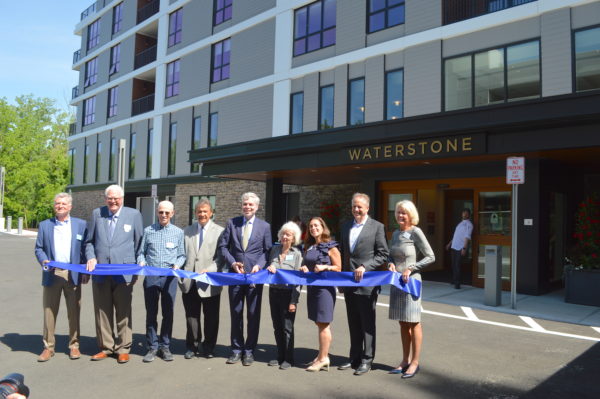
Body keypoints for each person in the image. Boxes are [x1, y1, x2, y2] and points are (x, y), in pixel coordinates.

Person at [85, 184, 143, 364]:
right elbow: (89, 242)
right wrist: (91, 257)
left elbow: (139, 243)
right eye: (110, 198)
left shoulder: (133, 215)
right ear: (105, 199)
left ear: (122, 199)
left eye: (116, 198)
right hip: (101, 271)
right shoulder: (97, 214)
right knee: (102, 310)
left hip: (124, 272)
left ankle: (123, 348)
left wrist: (137, 267)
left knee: (123, 310)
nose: (113, 201)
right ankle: (106, 347)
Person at [219, 192, 272, 366]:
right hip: (235, 276)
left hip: (254, 278)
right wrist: (233, 263)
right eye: (245, 204)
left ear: (257, 207)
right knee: (236, 313)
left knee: (252, 314)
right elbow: (224, 247)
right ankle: (236, 349)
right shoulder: (232, 223)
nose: (247, 207)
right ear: (241, 206)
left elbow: (267, 251)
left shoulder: (264, 226)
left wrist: (259, 265)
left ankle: (249, 350)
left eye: (251, 204)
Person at [338, 193, 389, 375]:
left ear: (367, 208)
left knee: (367, 323)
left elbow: (383, 254)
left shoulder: (377, 227)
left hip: (367, 283)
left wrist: (365, 266)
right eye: (354, 207)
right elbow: (343, 253)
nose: (356, 210)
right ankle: (354, 357)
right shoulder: (345, 227)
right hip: (349, 282)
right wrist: (340, 281)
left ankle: (367, 360)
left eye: (360, 207)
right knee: (353, 322)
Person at [34, 193, 88, 362]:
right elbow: (39, 248)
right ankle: (48, 347)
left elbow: (86, 248)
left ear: (70, 206)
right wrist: (44, 260)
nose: (60, 206)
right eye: (57, 203)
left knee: (74, 312)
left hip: (73, 275)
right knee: (49, 312)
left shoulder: (81, 225)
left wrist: (86, 271)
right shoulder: (45, 226)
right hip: (52, 273)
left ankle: (74, 346)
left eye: (64, 203)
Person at [387, 200, 435, 378]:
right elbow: (390, 255)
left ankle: (415, 362)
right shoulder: (395, 234)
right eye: (398, 212)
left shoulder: (416, 231)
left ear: (410, 215)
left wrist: (411, 268)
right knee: (402, 322)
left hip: (412, 282)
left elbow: (431, 256)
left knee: (414, 322)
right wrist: (390, 264)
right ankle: (405, 360)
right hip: (397, 282)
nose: (400, 215)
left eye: (404, 213)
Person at [138, 201, 185, 362]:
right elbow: (141, 252)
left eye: (167, 212)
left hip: (169, 278)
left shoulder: (178, 232)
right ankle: (152, 346)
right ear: (157, 213)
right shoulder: (148, 231)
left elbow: (182, 255)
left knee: (168, 312)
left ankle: (165, 346)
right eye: (161, 212)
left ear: (172, 213)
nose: (163, 215)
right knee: (151, 313)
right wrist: (141, 261)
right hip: (151, 276)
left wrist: (177, 265)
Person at [181, 199, 224, 359]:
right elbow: (181, 254)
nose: (202, 214)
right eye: (199, 211)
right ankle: (192, 346)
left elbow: (221, 258)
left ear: (211, 212)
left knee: (211, 317)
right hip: (190, 281)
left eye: (205, 211)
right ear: (195, 213)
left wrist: (210, 269)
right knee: (192, 317)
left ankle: (209, 347)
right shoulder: (186, 231)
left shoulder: (220, 231)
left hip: (210, 280)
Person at [300, 217, 341, 372]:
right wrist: (304, 268)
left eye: (316, 225)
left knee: (324, 323)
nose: (313, 228)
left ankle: (324, 358)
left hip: (325, 289)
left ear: (323, 227)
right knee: (319, 323)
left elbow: (339, 267)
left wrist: (326, 267)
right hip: (313, 289)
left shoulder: (331, 246)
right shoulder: (310, 246)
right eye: (311, 226)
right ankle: (321, 355)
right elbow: (308, 265)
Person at [266, 221, 303, 370]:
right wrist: (270, 267)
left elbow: (298, 279)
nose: (285, 236)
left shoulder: (297, 254)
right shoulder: (274, 250)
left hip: (288, 294)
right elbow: (270, 266)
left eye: (288, 234)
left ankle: (289, 358)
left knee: (287, 327)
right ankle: (280, 355)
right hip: (274, 292)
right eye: (283, 234)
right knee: (277, 326)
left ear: (294, 238)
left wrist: (294, 300)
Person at [446, 208, 473, 289]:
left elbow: (467, 237)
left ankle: (457, 283)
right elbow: (455, 235)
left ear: (468, 215)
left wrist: (464, 248)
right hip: (454, 246)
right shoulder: (460, 224)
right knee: (453, 265)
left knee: (457, 265)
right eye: (463, 213)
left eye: (466, 213)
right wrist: (449, 244)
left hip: (460, 247)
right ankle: (454, 280)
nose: (464, 214)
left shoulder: (469, 224)